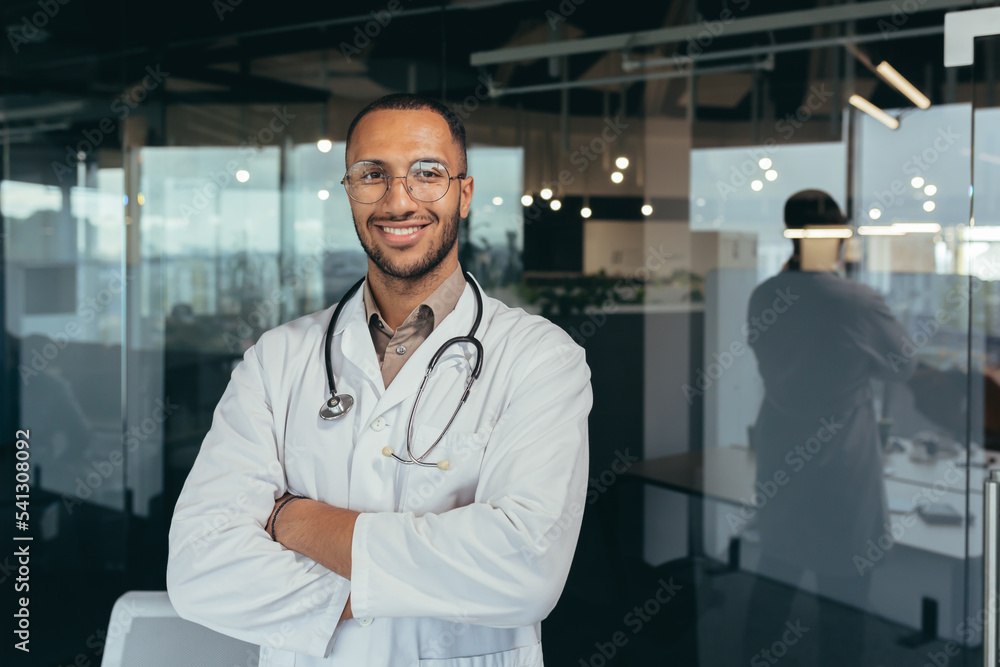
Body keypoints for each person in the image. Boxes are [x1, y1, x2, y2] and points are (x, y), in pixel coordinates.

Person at [166, 94, 593, 667]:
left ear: (463, 193)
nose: (398, 200)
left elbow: (524, 569)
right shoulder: (278, 358)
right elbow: (199, 569)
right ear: (349, 190)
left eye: (427, 174)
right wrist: (424, 581)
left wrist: (295, 520)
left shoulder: (540, 358)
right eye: (373, 175)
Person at [742, 190, 913, 666]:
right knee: (842, 602)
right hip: (840, 470)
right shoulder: (855, 301)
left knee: (773, 583)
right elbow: (904, 365)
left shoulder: (765, 296)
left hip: (782, 458)